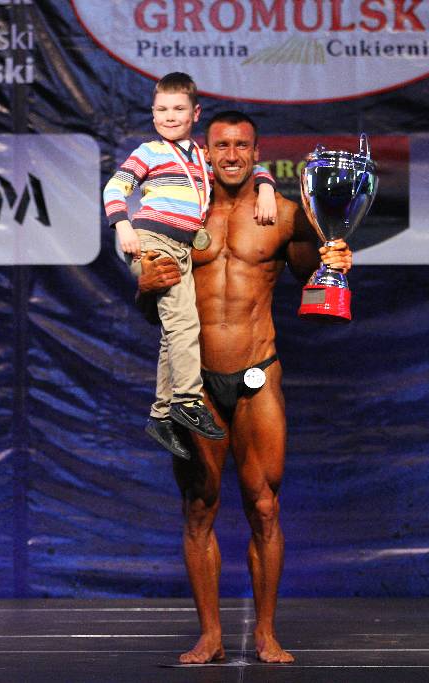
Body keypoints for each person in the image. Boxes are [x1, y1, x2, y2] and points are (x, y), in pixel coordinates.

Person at [136, 111, 352, 664]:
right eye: (222, 146)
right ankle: (210, 635)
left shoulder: (282, 214)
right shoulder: (180, 213)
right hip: (196, 382)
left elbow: (313, 282)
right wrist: (145, 285)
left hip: (258, 373)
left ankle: (266, 633)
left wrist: (334, 262)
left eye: (242, 146)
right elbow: (153, 308)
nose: (231, 155)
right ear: (205, 152)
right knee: (198, 506)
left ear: (257, 153)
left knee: (265, 507)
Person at [104, 73, 277, 456]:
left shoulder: (198, 157)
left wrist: (266, 186)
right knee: (184, 325)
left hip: (181, 245)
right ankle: (187, 401)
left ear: (195, 113)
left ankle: (162, 416)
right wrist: (122, 225)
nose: (170, 116)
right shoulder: (149, 152)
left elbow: (244, 170)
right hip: (153, 241)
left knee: (174, 333)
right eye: (162, 109)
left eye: (178, 109)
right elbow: (115, 187)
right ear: (152, 114)